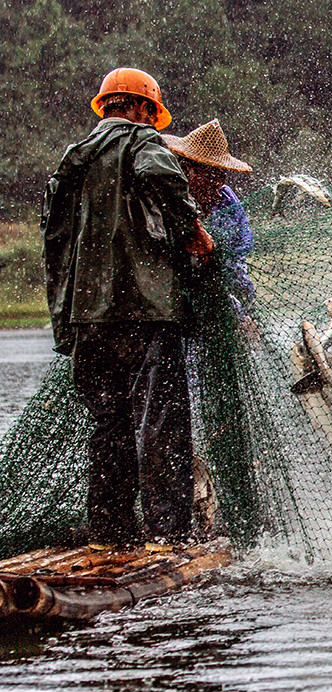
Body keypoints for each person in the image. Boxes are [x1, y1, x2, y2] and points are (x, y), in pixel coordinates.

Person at [42, 67, 213, 546]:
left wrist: (65, 322)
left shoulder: (72, 159)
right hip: (147, 312)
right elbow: (159, 175)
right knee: (162, 425)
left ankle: (109, 532)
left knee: (109, 426)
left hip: (87, 318)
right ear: (139, 108)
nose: (153, 122)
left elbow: (53, 246)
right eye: (151, 113)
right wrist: (191, 229)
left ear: (105, 105)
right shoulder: (141, 142)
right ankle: (169, 535)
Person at [161, 119, 255, 320]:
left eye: (222, 174)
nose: (219, 182)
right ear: (187, 171)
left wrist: (244, 308)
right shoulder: (171, 200)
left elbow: (238, 259)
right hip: (174, 307)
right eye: (211, 174)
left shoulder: (227, 200)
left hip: (221, 301)